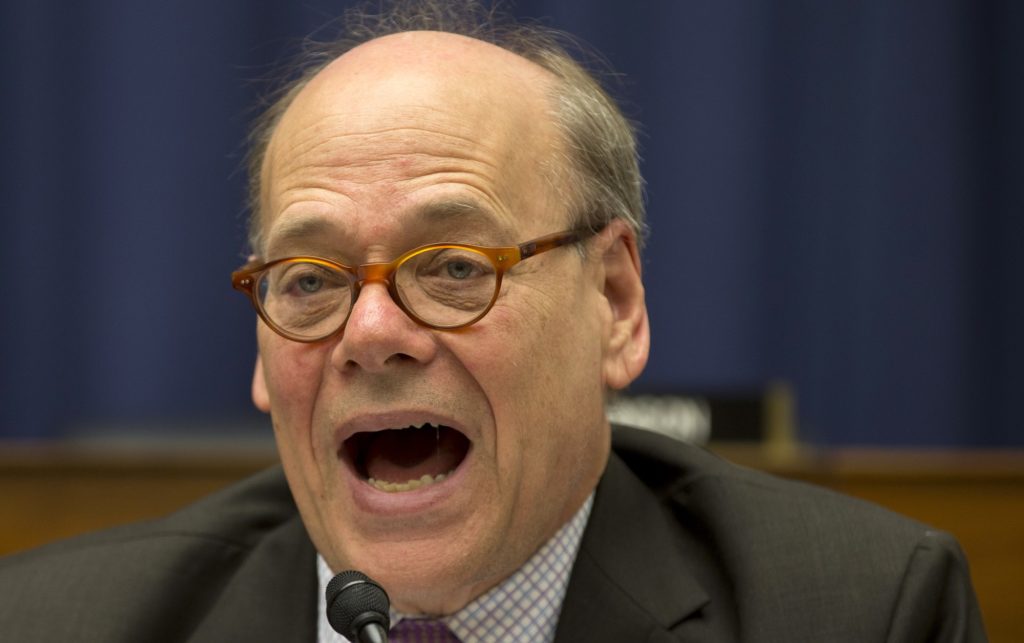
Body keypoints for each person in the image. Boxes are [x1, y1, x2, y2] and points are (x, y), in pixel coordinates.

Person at [0, 2, 987, 641]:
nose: (372, 330)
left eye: (452, 266)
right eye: (308, 280)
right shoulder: (52, 625)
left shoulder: (864, 612)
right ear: (262, 361)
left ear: (614, 303)